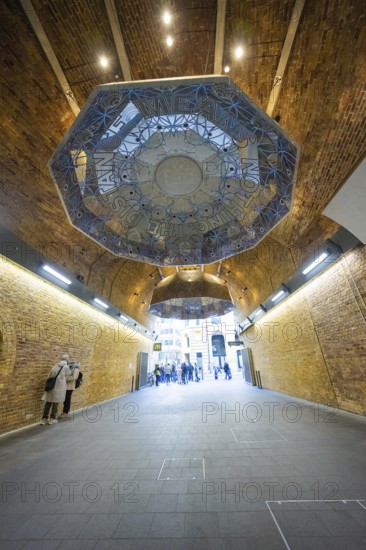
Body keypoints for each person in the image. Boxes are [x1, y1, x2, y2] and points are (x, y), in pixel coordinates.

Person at [40, 359, 71, 425]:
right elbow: (69, 374)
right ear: (67, 361)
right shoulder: (66, 367)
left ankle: (44, 419)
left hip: (51, 386)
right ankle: (52, 419)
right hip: (59, 387)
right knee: (55, 403)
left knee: (48, 402)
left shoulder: (56, 365)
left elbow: (49, 375)